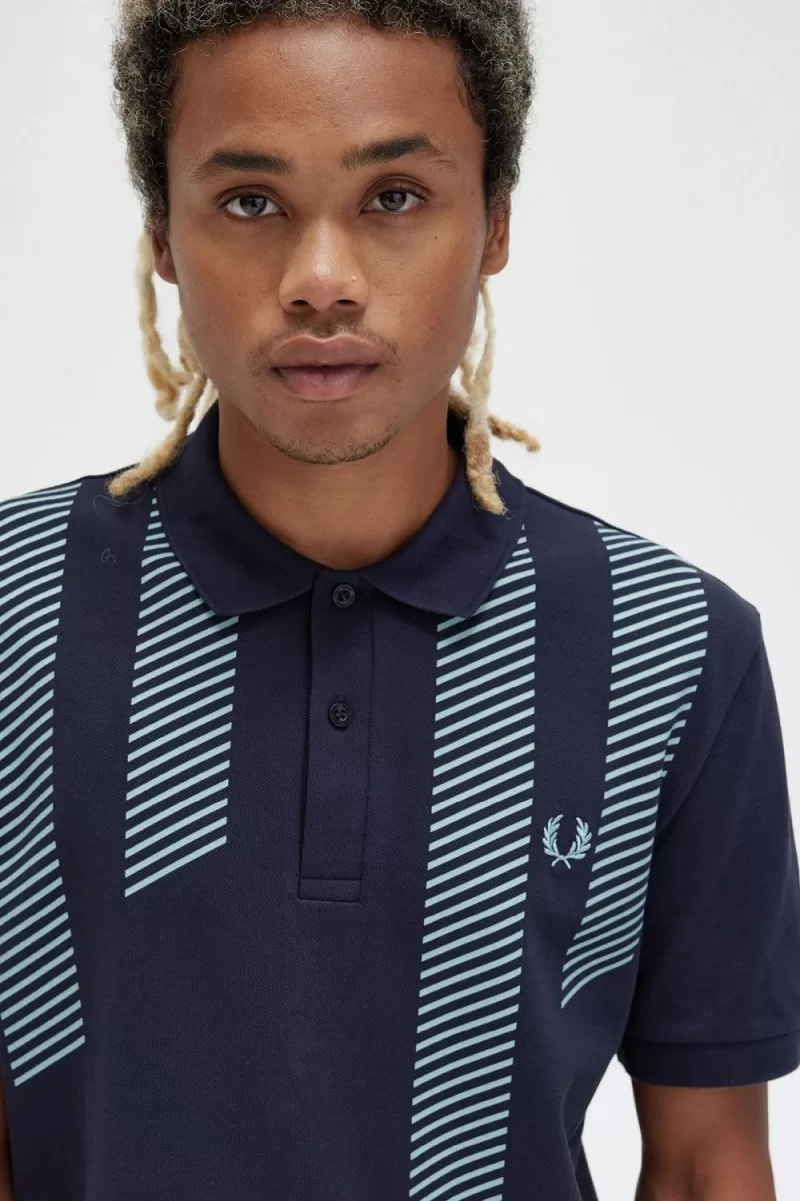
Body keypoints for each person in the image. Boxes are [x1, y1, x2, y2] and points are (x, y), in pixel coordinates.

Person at [0, 2, 798, 1198]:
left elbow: (703, 1162)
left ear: (494, 224)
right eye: (250, 201)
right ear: (162, 231)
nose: (320, 282)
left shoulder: (673, 650)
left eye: (393, 197)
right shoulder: (14, 613)